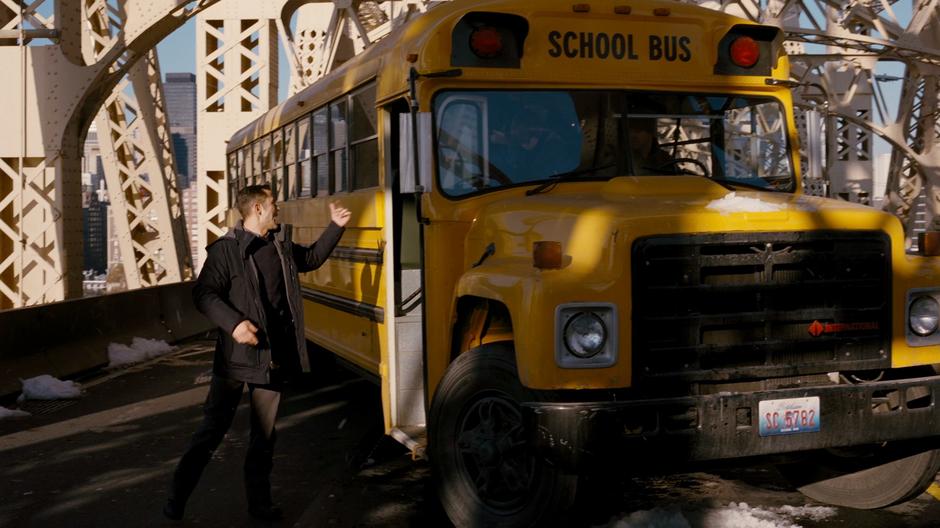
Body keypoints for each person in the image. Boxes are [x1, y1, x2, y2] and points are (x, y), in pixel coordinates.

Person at [163, 184, 351, 522]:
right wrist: (234, 324)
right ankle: (176, 499)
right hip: (234, 361)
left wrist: (335, 226)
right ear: (259, 209)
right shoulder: (225, 251)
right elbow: (203, 294)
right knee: (211, 432)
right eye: (274, 205)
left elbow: (310, 259)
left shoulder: (279, 246)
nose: (278, 210)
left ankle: (260, 508)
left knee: (263, 439)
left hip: (271, 359)